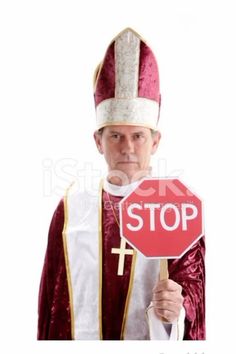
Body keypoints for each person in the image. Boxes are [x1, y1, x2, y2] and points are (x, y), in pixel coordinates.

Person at [38, 28, 205, 340]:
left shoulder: (176, 207)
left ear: (155, 141)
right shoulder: (72, 208)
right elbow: (50, 303)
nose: (127, 147)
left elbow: (193, 293)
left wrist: (178, 309)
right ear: (98, 141)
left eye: (138, 136)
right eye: (115, 135)